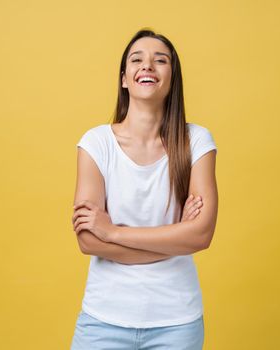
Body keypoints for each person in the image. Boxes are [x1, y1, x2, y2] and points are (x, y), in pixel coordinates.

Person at [70, 28, 218, 349]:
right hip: (103, 319)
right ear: (125, 79)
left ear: (171, 78)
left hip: (177, 322)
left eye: (160, 60)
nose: (147, 65)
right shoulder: (96, 144)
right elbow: (88, 241)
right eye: (137, 59)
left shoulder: (196, 142)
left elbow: (201, 235)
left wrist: (114, 233)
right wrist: (176, 235)